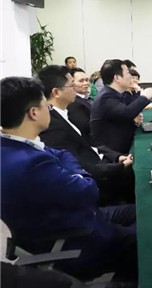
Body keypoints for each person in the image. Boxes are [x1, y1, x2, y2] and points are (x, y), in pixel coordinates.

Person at [0, 76, 137, 282]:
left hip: (68, 219)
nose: (49, 109)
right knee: (147, 237)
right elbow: (89, 190)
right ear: (34, 113)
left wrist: (72, 170)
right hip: (76, 237)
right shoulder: (31, 162)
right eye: (46, 106)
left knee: (139, 211)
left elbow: (63, 154)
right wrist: (77, 172)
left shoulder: (14, 146)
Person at [37, 65, 135, 205]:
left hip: (104, 165)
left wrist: (117, 157)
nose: (76, 89)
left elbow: (90, 144)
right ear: (56, 92)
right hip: (98, 184)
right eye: (72, 85)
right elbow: (78, 166)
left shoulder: (65, 113)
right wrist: (120, 167)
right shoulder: (52, 125)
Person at [91, 59, 152, 153]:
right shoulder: (106, 97)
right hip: (113, 153)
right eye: (128, 73)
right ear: (117, 78)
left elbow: (124, 114)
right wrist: (144, 96)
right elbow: (127, 113)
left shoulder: (114, 93)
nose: (131, 77)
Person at [66, 67, 94, 137]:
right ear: (71, 83)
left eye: (87, 80)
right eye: (81, 81)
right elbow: (85, 127)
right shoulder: (73, 102)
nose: (86, 83)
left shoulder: (88, 98)